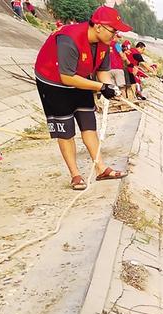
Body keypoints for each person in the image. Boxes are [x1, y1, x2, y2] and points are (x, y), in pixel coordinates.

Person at [34, 5, 131, 190]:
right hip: (54, 82)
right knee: (66, 129)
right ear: (98, 27)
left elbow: (102, 71)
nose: (115, 35)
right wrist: (100, 87)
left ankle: (101, 168)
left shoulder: (104, 43)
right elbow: (67, 77)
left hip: (81, 78)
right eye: (113, 30)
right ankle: (75, 175)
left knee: (88, 123)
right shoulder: (69, 39)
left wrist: (110, 87)